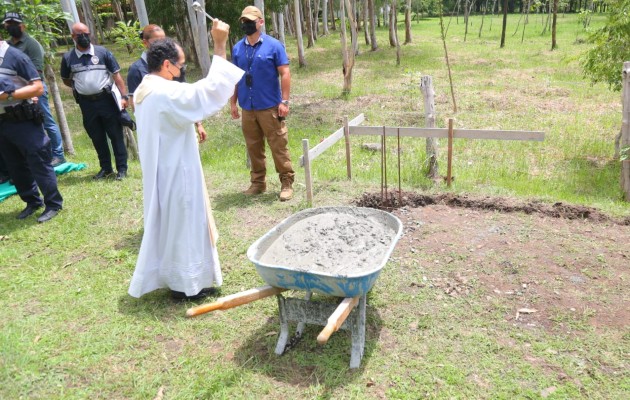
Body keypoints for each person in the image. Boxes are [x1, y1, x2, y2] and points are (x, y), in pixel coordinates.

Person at [127, 22, 244, 300]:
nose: (182, 73)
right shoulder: (165, 93)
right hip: (177, 170)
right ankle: (186, 285)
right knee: (184, 223)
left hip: (163, 168)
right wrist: (218, 45)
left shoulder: (147, 86)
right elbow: (207, 93)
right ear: (166, 65)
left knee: (173, 224)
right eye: (181, 67)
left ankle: (178, 278)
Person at [230, 6, 295, 201]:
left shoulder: (274, 46)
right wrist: (233, 103)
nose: (247, 24)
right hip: (248, 108)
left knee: (278, 146)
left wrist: (284, 101)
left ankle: (286, 182)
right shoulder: (237, 48)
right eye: (244, 21)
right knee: (253, 147)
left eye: (251, 20)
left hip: (270, 107)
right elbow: (235, 77)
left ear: (261, 22)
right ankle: (258, 183)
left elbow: (285, 73)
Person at [0, 36, 63, 222]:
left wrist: (9, 95)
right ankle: (32, 201)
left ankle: (53, 203)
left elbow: (37, 88)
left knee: (38, 161)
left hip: (22, 119)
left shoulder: (16, 56)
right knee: (15, 165)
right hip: (2, 123)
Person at [60, 23, 129, 180]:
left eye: (86, 33)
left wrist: (124, 97)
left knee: (115, 135)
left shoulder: (103, 52)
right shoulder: (68, 58)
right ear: (73, 37)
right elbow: (66, 80)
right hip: (86, 104)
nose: (84, 37)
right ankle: (106, 168)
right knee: (97, 137)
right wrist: (82, 87)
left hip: (107, 101)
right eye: (79, 35)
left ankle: (122, 169)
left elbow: (117, 76)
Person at [3, 12, 66, 167]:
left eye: (15, 23)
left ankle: (58, 155)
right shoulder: (6, 46)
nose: (11, 26)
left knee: (45, 120)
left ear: (22, 25)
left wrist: (29, 90)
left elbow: (36, 72)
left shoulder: (32, 44)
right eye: (8, 24)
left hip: (34, 88)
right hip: (13, 94)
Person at [127, 24, 206, 139]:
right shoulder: (136, 69)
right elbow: (135, 102)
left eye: (164, 40)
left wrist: (198, 123)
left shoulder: (174, 64)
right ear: (145, 42)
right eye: (156, 41)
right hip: (155, 129)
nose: (161, 45)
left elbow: (186, 96)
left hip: (178, 123)